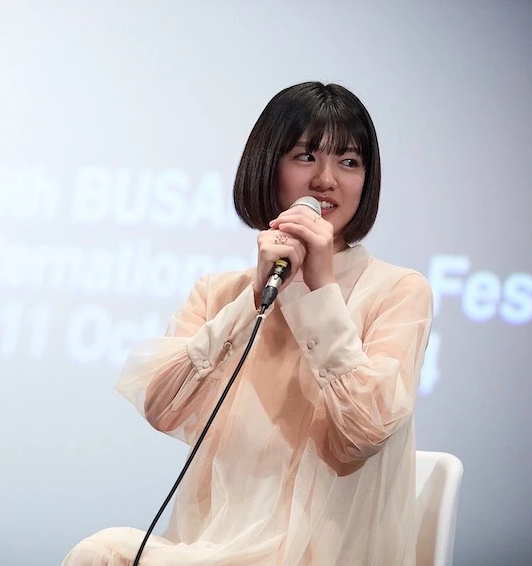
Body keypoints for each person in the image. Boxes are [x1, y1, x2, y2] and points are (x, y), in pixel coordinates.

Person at [62, 82, 433, 565]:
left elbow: (363, 434)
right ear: (267, 166)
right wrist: (252, 299)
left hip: (322, 554)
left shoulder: (400, 291)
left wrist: (320, 291)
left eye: (349, 162)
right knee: (101, 555)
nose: (326, 180)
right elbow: (162, 407)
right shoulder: (219, 293)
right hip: (212, 548)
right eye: (305, 156)